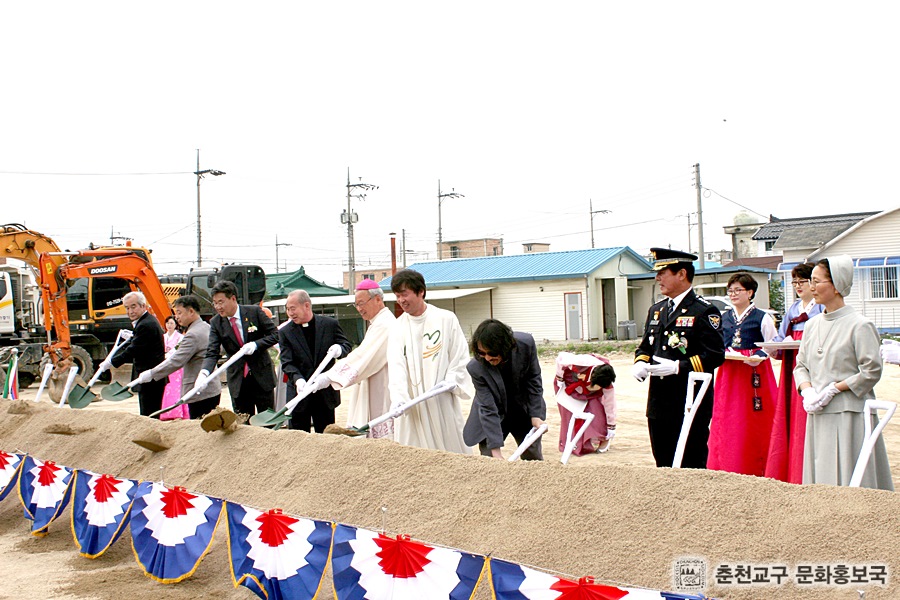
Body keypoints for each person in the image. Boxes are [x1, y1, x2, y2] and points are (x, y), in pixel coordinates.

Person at [794, 256, 892, 490]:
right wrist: (808, 392)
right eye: (810, 281)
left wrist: (834, 389)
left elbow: (871, 370)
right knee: (821, 479)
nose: (811, 287)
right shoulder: (812, 325)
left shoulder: (860, 325)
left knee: (851, 477)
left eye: (817, 281)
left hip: (850, 413)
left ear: (836, 285)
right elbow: (801, 365)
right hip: (818, 411)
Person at [633, 248, 724, 468]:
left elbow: (715, 355)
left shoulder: (704, 311)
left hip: (688, 399)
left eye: (663, 273)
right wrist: (641, 362)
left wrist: (679, 367)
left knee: (690, 462)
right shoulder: (657, 310)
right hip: (659, 400)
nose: (658, 278)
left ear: (682, 274)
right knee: (663, 461)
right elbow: (645, 346)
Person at [387, 269, 472, 454]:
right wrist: (399, 398)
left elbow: (459, 355)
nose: (401, 300)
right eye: (397, 296)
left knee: (451, 449)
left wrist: (451, 380)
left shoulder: (446, 319)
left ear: (421, 292)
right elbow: (396, 366)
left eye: (404, 294)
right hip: (412, 405)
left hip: (440, 400)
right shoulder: (397, 327)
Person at [707, 273, 778, 476]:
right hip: (730, 371)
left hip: (754, 371)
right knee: (729, 416)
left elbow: (772, 345)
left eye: (738, 290)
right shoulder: (724, 317)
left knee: (753, 418)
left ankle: (757, 464)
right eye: (730, 291)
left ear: (750, 292)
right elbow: (718, 344)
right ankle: (726, 462)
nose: (733, 294)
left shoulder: (762, 317)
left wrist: (759, 355)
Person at [309, 280, 396, 438]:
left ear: (377, 299)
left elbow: (363, 356)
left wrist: (330, 376)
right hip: (373, 379)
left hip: (381, 382)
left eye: (361, 303)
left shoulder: (385, 324)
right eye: (356, 305)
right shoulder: (377, 323)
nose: (359, 309)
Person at [764, 263, 824, 483]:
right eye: (795, 282)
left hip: (813, 366)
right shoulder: (793, 309)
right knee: (790, 412)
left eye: (802, 281)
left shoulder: (820, 308)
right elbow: (781, 339)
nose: (798, 286)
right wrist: (772, 348)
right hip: (792, 365)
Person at [462, 319, 546, 460]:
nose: (487, 358)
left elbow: (533, 380)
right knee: (489, 457)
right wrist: (496, 452)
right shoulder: (475, 367)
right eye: (482, 353)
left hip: (522, 407)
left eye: (492, 353)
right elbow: (488, 408)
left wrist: (535, 415)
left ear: (505, 347)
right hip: (493, 411)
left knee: (532, 456)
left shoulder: (526, 344)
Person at [200, 280, 278, 416]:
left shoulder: (254, 312)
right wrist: (204, 373)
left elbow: (276, 335)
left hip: (262, 377)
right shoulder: (216, 323)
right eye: (215, 303)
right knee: (242, 422)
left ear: (233, 298)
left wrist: (256, 344)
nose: (218, 307)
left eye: (221, 302)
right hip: (238, 381)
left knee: (267, 420)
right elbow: (212, 352)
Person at [137, 295, 222, 419]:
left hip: (199, 392)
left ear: (191, 311)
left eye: (179, 312)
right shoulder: (206, 327)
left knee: (200, 427)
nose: (176, 317)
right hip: (212, 388)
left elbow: (176, 361)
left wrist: (152, 373)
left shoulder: (193, 334)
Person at [279, 290, 351, 433]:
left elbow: (346, 346)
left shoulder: (329, 325)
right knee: (298, 438)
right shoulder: (285, 332)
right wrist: (298, 379)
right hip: (299, 394)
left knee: (325, 436)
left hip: (324, 393)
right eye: (287, 309)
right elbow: (287, 362)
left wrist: (339, 349)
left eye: (293, 308)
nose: (290, 313)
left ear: (306, 305)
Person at [103, 291, 167, 418]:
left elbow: (134, 349)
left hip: (151, 377)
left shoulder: (146, 325)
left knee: (149, 414)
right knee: (148, 412)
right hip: (149, 376)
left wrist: (112, 362)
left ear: (143, 306)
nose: (130, 311)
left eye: (133, 307)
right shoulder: (145, 322)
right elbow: (136, 343)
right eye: (127, 308)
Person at [554, 352, 617, 455]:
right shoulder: (582, 362)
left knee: (597, 412)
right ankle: (575, 443)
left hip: (591, 394)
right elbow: (561, 358)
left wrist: (611, 426)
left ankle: (604, 438)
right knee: (570, 415)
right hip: (568, 385)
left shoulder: (606, 382)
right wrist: (559, 377)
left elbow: (610, 404)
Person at [158, 315, 188, 420]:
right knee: (167, 388)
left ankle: (178, 411)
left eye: (171, 323)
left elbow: (178, 351)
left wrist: (168, 355)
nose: (169, 325)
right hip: (165, 364)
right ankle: (166, 412)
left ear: (176, 325)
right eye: (167, 323)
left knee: (176, 388)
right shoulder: (163, 337)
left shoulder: (180, 337)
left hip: (176, 366)